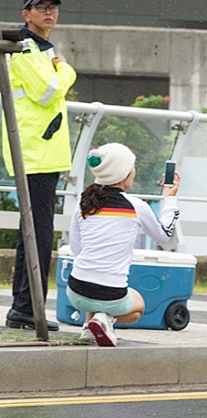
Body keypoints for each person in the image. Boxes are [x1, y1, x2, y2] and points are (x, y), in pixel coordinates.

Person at [1, 0, 76, 331]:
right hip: (33, 152)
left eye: (54, 7)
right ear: (26, 13)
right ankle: (25, 308)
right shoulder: (26, 50)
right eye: (42, 6)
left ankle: (25, 307)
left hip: (41, 151)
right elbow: (47, 92)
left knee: (36, 232)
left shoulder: (42, 49)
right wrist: (67, 70)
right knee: (38, 233)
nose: (50, 12)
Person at [66, 143, 181, 347]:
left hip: (76, 292)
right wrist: (170, 199)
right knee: (138, 307)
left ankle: (89, 326)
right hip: (112, 295)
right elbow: (164, 235)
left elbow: (77, 249)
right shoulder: (135, 206)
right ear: (123, 173)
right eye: (132, 167)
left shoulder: (83, 203)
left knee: (94, 282)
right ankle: (105, 319)